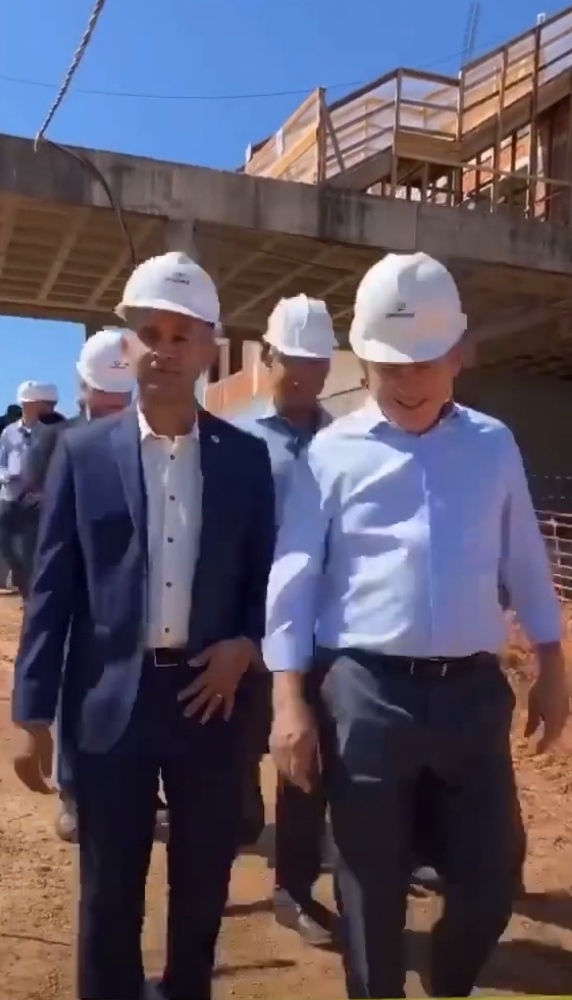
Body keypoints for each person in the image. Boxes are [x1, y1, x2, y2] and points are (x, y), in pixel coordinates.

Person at [265, 252, 569, 998]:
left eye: (423, 363)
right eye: (387, 366)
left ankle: (449, 980)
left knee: (491, 881)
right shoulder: (331, 454)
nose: (405, 383)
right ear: (363, 360)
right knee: (369, 889)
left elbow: (525, 560)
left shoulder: (493, 445)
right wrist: (289, 700)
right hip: (365, 695)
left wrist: (553, 665)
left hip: (472, 695)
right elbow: (294, 583)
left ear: (459, 353)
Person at [11, 250, 276, 1000]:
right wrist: (31, 712)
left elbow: (266, 580)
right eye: (148, 334)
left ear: (209, 347)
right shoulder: (82, 454)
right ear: (128, 345)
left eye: (180, 335)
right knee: (107, 895)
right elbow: (52, 590)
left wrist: (246, 646)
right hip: (108, 707)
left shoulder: (245, 460)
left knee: (201, 887)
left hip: (210, 703)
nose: (163, 350)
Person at [20, 329, 157, 847]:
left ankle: (114, 788)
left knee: (118, 688)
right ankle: (76, 791)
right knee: (83, 688)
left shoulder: (144, 437)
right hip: (83, 590)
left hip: (117, 589)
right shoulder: (63, 441)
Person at [230, 294, 336, 947]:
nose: (302, 374)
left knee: (305, 764)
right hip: (247, 629)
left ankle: (293, 890)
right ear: (266, 356)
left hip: (320, 632)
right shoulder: (236, 440)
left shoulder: (347, 441)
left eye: (315, 363)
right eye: (291, 360)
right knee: (234, 757)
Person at [0, 381, 58, 596]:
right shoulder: (9, 432)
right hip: (9, 496)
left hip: (36, 501)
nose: (51, 407)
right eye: (47, 403)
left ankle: (29, 597)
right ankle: (22, 582)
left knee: (30, 551)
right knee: (3, 543)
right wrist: (5, 476)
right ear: (30, 404)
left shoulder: (54, 432)